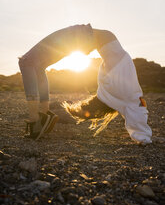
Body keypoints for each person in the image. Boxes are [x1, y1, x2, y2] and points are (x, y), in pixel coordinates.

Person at [19, 24, 152, 144]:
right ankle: (42, 116)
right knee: (34, 65)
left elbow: (138, 110)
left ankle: (36, 119)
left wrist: (143, 136)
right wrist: (143, 136)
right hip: (83, 36)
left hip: (82, 36)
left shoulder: (121, 92)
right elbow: (139, 110)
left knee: (27, 62)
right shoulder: (121, 93)